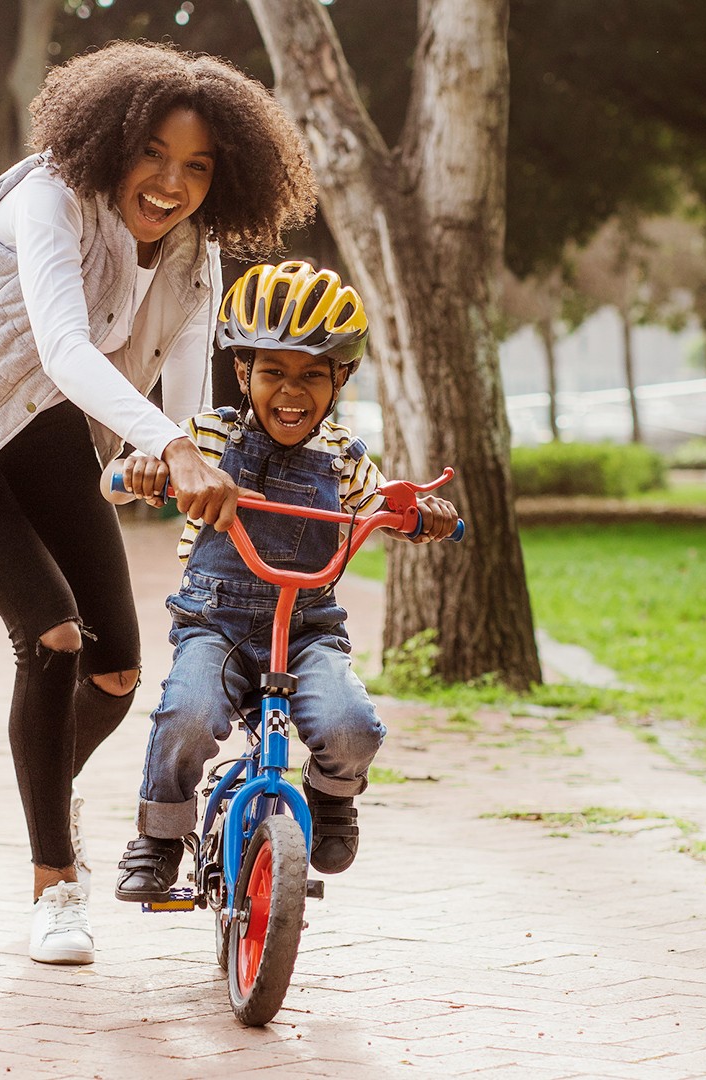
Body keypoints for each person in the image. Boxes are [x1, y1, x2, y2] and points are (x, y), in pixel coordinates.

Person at [0, 41, 317, 966]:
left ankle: (42, 786)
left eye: (197, 166)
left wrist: (191, 453)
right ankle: (54, 883)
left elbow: (190, 377)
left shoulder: (198, 251)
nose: (170, 182)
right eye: (153, 152)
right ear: (111, 140)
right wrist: (169, 445)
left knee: (114, 672)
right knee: (53, 636)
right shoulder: (47, 199)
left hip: (43, 430)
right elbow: (66, 348)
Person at [107, 261, 460, 903]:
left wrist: (419, 514)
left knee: (352, 724)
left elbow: (385, 500)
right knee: (187, 715)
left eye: (312, 375)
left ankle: (332, 798)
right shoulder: (207, 437)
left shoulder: (345, 456)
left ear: (340, 379)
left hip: (307, 630)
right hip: (217, 625)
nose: (290, 392)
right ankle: (159, 837)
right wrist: (140, 472)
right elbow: (131, 473)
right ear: (243, 373)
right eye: (272, 372)